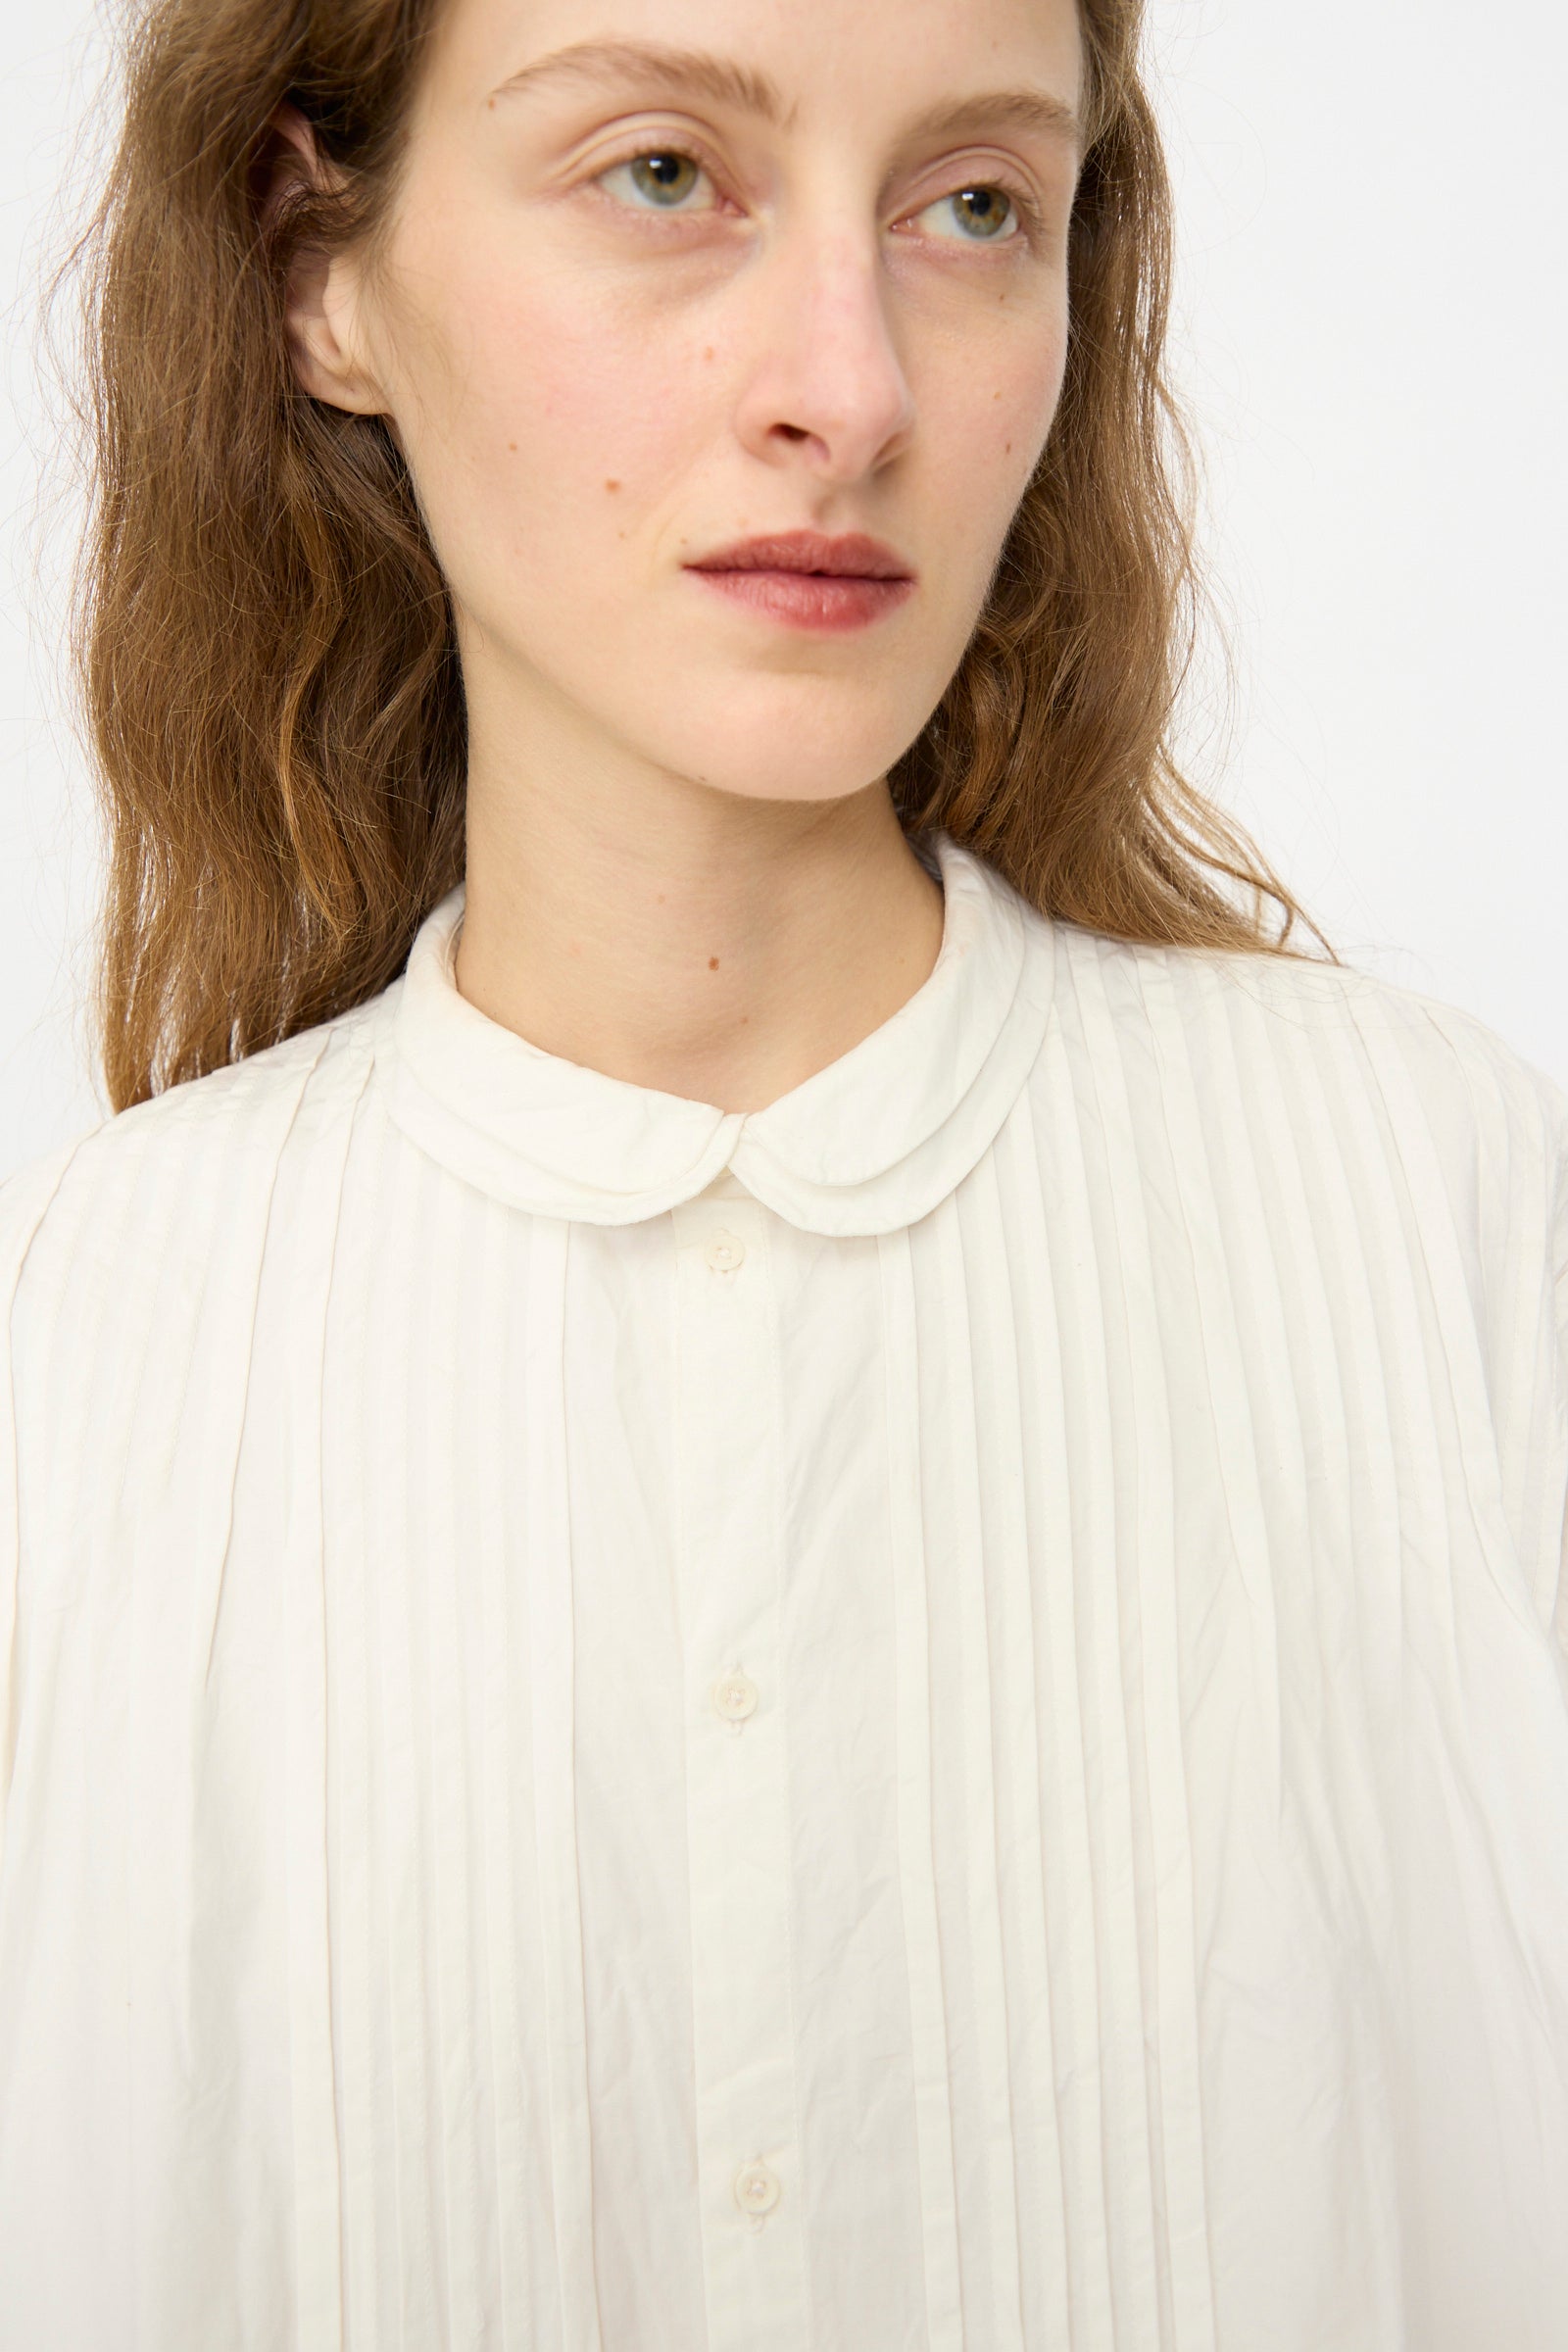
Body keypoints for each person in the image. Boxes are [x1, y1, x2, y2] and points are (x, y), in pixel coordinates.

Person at [1, 0, 1565, 2343]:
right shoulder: (93, 1339)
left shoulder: (1431, 1215)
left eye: (968, 207)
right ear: (318, 272)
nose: (850, 389)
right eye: (661, 174)